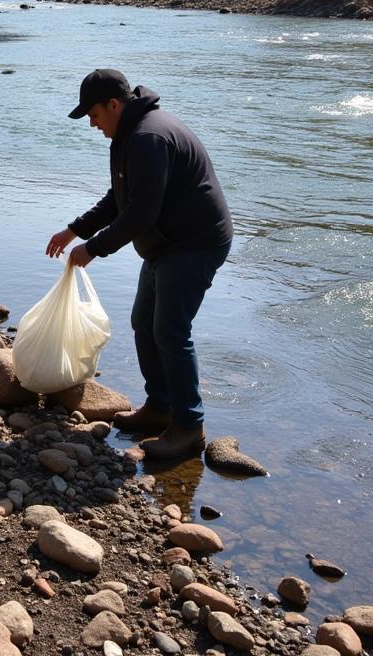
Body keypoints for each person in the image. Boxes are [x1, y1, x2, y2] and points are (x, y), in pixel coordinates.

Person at [47, 68, 233, 461]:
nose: (92, 124)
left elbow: (141, 214)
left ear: (113, 105)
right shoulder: (130, 131)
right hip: (168, 244)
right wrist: (74, 231)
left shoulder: (148, 137)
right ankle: (160, 407)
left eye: (94, 115)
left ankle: (188, 427)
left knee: (170, 330)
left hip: (194, 243)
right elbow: (120, 197)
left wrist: (93, 249)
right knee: (144, 322)